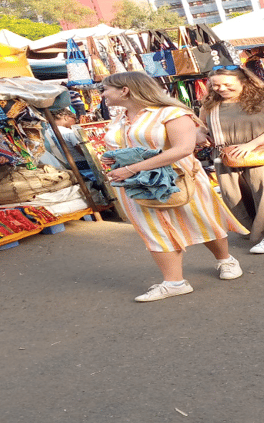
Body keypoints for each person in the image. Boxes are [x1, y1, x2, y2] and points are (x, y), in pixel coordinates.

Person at [100, 72, 248, 303]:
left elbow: (182, 149)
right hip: (136, 184)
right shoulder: (120, 117)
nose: (102, 94)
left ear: (125, 90)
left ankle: (225, 259)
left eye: (105, 89)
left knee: (200, 218)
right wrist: (116, 160)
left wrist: (132, 168)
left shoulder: (172, 113)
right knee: (153, 228)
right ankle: (174, 282)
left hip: (178, 178)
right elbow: (126, 145)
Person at [200, 67, 264, 254]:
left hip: (261, 153)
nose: (221, 88)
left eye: (228, 84)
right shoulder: (209, 104)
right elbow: (201, 127)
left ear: (244, 82)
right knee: (235, 196)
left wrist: (250, 144)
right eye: (216, 85)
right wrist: (200, 135)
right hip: (226, 156)